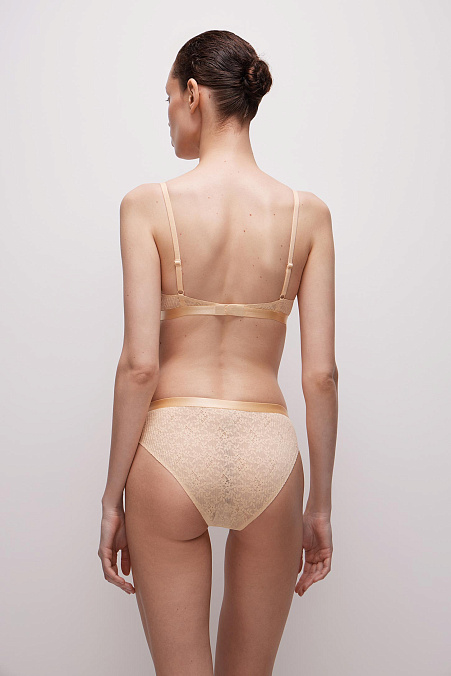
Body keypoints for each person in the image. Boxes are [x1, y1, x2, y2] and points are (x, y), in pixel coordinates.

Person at [98, 29, 338, 676]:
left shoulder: (146, 206)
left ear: (193, 94)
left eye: (168, 99)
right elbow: (320, 376)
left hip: (171, 449)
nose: (167, 115)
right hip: (268, 453)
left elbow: (140, 366)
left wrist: (112, 498)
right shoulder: (308, 215)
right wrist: (319, 505)